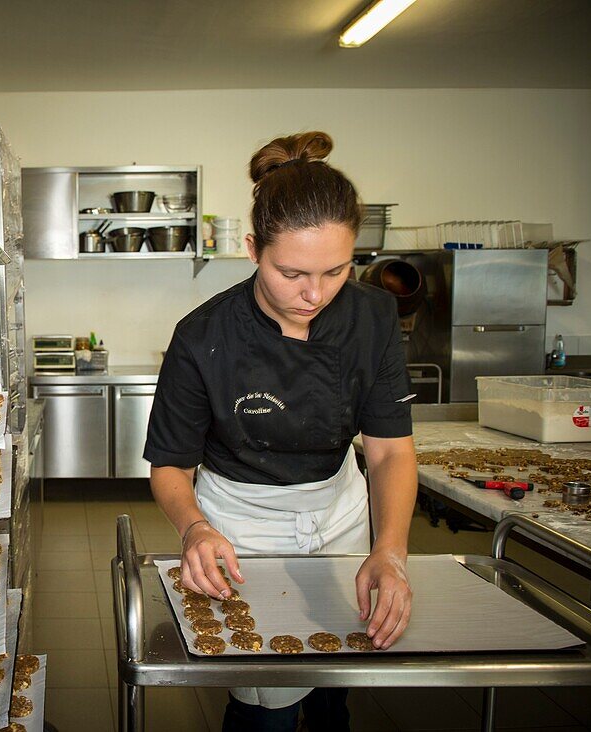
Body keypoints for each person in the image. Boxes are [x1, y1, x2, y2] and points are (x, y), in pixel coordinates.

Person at [144, 131, 417, 731]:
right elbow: (170, 465)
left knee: (333, 680)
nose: (314, 294)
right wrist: (194, 529)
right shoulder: (203, 337)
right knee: (266, 699)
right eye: (291, 272)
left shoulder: (373, 316)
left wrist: (390, 550)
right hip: (239, 521)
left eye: (337, 270)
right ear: (252, 249)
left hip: (340, 510)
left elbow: (391, 452)